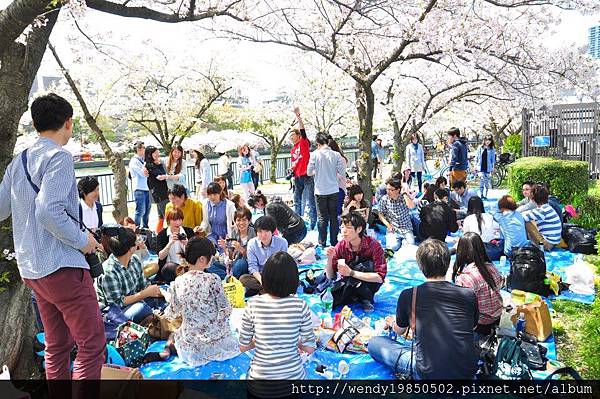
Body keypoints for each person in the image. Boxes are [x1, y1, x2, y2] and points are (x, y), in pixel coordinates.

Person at [0, 93, 105, 380]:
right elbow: (48, 212)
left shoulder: (18, 161)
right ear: (68, 123)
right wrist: (84, 241)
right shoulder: (58, 157)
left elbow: (1, 210)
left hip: (33, 270)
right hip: (62, 267)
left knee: (57, 345)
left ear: (35, 123)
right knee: (92, 345)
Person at [368, 239, 479, 379]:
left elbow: (400, 330)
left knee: (375, 343)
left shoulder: (410, 295)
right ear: (447, 263)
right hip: (467, 372)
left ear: (420, 266)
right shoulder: (468, 294)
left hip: (428, 373)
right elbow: (472, 327)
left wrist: (391, 323)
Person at [143, 237, 239, 366]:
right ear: (202, 259)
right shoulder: (213, 279)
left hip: (191, 341)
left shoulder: (178, 281)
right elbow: (225, 309)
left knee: (176, 331)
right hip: (215, 339)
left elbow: (173, 312)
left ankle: (166, 350)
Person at [239, 252, 316, 393]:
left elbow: (243, 346)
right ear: (293, 280)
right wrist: (293, 340)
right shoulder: (300, 305)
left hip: (259, 387)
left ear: (265, 277)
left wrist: (260, 341)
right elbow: (310, 348)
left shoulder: (253, 304)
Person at [96, 227, 164, 323]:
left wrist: (159, 292)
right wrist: (145, 293)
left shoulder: (135, 260)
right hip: (115, 311)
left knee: (163, 296)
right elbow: (117, 303)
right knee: (142, 308)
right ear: (131, 248)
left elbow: (143, 285)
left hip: (136, 300)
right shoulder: (108, 271)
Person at [325, 212, 386, 312]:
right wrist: (329, 259)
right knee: (331, 297)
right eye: (342, 227)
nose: (344, 231)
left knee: (366, 265)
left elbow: (380, 277)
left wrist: (351, 273)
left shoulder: (374, 245)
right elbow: (331, 276)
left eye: (348, 228)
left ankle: (366, 298)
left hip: (366, 284)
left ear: (359, 229)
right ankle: (354, 296)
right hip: (349, 282)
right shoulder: (341, 245)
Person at [452, 232, 503, 337]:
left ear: (462, 251)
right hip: (497, 318)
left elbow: (461, 309)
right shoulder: (492, 268)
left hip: (480, 325)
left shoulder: (466, 278)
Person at [307, 132, 346, 247]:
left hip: (320, 191)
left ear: (317, 143)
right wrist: (333, 174)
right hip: (333, 189)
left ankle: (322, 241)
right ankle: (334, 241)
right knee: (333, 217)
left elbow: (309, 172)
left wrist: (317, 172)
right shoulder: (336, 155)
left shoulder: (314, 155)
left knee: (322, 217)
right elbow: (342, 172)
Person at [239, 216, 288, 296]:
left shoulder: (282, 242)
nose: (263, 235)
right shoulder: (252, 243)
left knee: (292, 280)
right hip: (260, 276)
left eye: (266, 231)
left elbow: (283, 265)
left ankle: (262, 290)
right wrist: (262, 281)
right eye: (260, 232)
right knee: (243, 279)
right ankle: (268, 290)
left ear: (272, 232)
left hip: (277, 275)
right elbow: (253, 267)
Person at [289, 107, 317, 230]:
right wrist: (291, 170)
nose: (291, 138)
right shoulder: (293, 149)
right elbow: (295, 163)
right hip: (297, 177)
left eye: (292, 135)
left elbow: (303, 129)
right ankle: (297, 223)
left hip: (307, 176)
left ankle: (313, 223)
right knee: (297, 201)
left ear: (299, 136)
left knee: (310, 201)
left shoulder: (303, 143)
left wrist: (298, 116)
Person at [378, 177, 416, 250]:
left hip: (406, 228)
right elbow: (380, 214)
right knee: (392, 248)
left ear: (398, 190)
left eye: (391, 190)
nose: (388, 192)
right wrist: (388, 225)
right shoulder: (384, 199)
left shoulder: (404, 198)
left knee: (410, 247)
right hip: (393, 229)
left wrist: (404, 193)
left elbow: (412, 206)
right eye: (387, 189)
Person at [157, 208, 194, 282]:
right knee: (168, 268)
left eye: (180, 220)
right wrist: (170, 243)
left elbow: (196, 254)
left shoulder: (189, 232)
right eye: (174, 220)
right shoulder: (162, 235)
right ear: (168, 221)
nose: (178, 222)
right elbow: (161, 257)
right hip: (170, 268)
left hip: (187, 267)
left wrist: (187, 244)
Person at [218, 208, 256, 279]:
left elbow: (255, 257)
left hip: (248, 264)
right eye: (238, 220)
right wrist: (225, 247)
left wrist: (241, 250)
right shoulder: (234, 232)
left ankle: (230, 278)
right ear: (235, 221)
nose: (241, 223)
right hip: (235, 263)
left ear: (249, 220)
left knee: (240, 264)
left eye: (244, 220)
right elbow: (231, 257)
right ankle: (228, 277)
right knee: (212, 264)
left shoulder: (254, 233)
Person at [522, 184, 562, 251]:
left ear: (533, 199)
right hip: (554, 241)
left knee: (526, 222)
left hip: (547, 244)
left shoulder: (542, 211)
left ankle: (520, 242)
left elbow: (522, 217)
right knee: (531, 219)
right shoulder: (546, 207)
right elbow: (530, 213)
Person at [462, 196, 502, 260]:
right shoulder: (489, 216)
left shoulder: (468, 219)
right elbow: (498, 227)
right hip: (491, 253)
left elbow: (466, 236)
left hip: (474, 253)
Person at [200, 182, 236, 248]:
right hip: (212, 235)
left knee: (224, 255)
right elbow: (205, 222)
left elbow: (235, 221)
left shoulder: (229, 205)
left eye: (215, 194)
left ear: (220, 193)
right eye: (210, 195)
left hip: (226, 235)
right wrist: (201, 228)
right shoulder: (205, 204)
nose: (212, 197)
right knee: (209, 247)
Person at [145, 146, 169, 232]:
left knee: (161, 216)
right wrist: (168, 176)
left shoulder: (159, 162)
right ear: (149, 155)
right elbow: (159, 176)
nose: (157, 154)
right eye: (154, 153)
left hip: (164, 190)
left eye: (157, 152)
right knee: (167, 214)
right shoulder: (149, 165)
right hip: (159, 193)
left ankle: (159, 233)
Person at [130, 141, 150, 229]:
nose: (144, 150)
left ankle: (145, 228)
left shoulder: (143, 160)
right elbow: (143, 174)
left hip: (146, 188)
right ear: (138, 149)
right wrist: (146, 165)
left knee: (147, 210)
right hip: (139, 189)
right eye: (143, 148)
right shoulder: (134, 161)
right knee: (140, 211)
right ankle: (136, 228)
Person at [328, 137, 348, 218]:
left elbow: (340, 175)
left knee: (337, 211)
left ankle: (339, 228)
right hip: (329, 188)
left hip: (339, 188)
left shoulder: (341, 159)